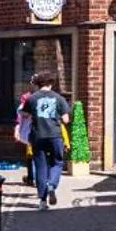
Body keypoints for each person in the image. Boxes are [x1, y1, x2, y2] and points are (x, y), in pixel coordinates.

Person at [16, 72, 70, 208]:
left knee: (40, 166)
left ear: (38, 84)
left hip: (37, 136)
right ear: (51, 83)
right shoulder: (59, 98)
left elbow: (25, 114)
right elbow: (66, 120)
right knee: (57, 162)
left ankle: (42, 201)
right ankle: (52, 185)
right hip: (54, 135)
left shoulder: (32, 98)